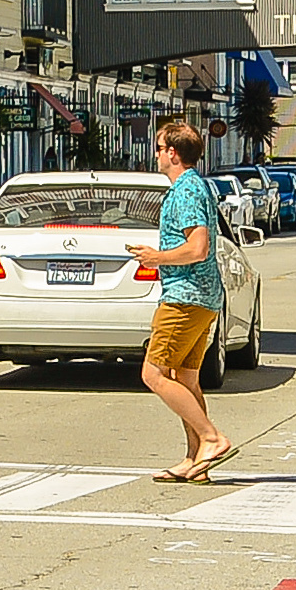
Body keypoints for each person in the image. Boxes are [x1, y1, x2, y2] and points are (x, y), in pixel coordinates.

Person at [130, 117, 234, 484]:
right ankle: (195, 462)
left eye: (159, 148)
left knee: (153, 374)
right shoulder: (194, 186)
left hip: (185, 297)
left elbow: (197, 247)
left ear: (172, 153)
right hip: (202, 296)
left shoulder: (187, 191)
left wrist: (155, 257)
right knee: (186, 378)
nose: (155, 154)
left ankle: (211, 438)